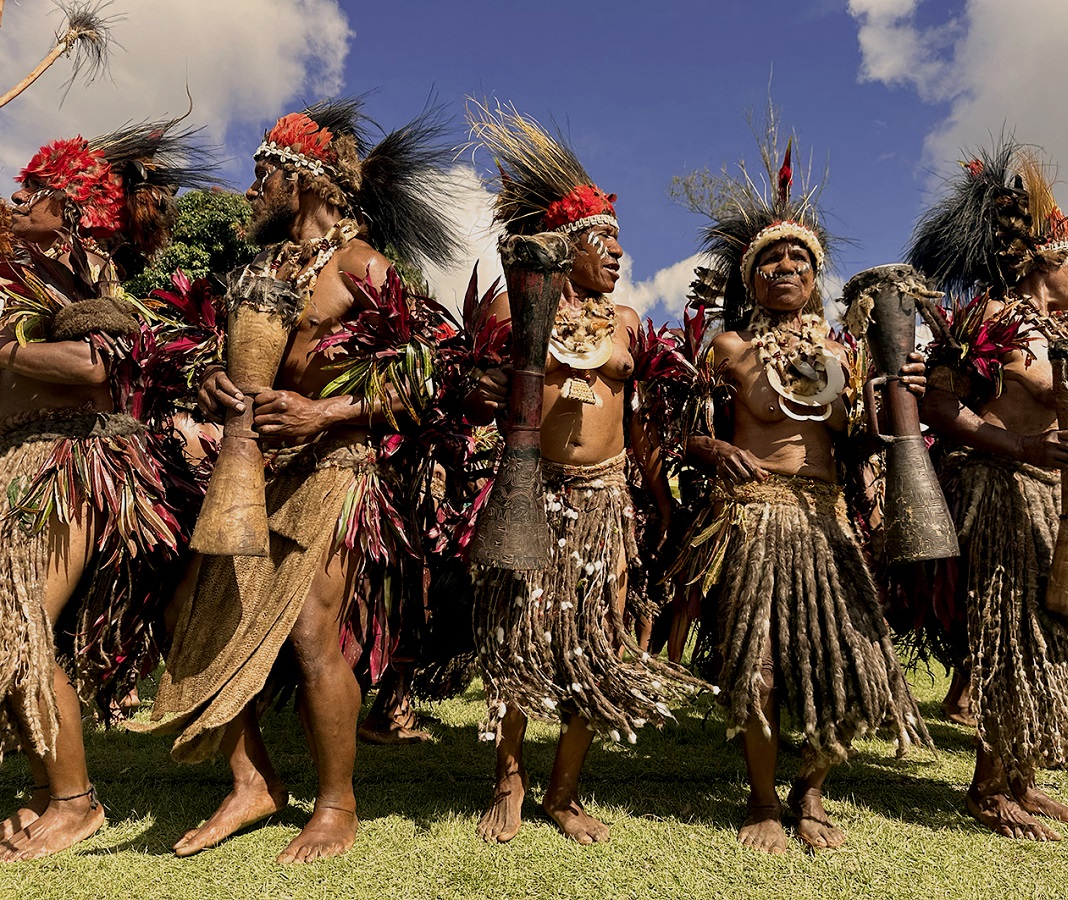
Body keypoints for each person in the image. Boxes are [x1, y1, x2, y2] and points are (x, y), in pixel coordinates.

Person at [136, 99, 461, 863]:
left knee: (316, 637)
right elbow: (218, 359)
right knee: (184, 612)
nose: (251, 191)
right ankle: (252, 780)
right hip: (259, 473)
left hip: (339, 469)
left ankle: (337, 805)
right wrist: (211, 377)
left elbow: (428, 376)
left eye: (262, 176)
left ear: (303, 179)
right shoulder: (262, 271)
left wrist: (324, 414)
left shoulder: (363, 265)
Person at [674, 131, 931, 853]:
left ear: (816, 279)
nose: (786, 268)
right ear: (750, 279)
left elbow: (861, 441)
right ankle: (760, 801)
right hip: (755, 515)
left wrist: (894, 404)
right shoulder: (728, 350)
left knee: (841, 661)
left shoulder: (843, 352)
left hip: (827, 519)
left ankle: (811, 794)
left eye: (799, 260)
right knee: (756, 670)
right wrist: (715, 446)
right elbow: (678, 435)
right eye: (771, 260)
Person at [464, 104, 695, 846]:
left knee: (594, 644)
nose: (620, 254)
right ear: (567, 243)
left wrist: (656, 499)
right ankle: (509, 780)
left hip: (604, 497)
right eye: (605, 240)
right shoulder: (514, 301)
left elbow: (638, 419)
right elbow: (475, 387)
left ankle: (564, 792)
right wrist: (490, 387)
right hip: (534, 491)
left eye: (622, 243)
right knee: (516, 639)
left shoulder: (627, 320)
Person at [0, 120, 211, 860]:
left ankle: (75, 802)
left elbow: (98, 365)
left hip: (68, 465)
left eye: (35, 191)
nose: (18, 198)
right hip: (20, 462)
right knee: (13, 630)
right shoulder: (21, 273)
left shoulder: (86, 271)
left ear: (75, 209)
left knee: (22, 628)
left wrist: (6, 348)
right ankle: (45, 788)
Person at [912, 140, 1068, 841]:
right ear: (1039, 261)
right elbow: (939, 409)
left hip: (1055, 497)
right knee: (1010, 636)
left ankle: (1022, 778)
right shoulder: (987, 318)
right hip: (1001, 491)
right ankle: (989, 790)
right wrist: (1023, 446)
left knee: (1052, 635)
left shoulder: (1062, 330)